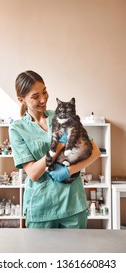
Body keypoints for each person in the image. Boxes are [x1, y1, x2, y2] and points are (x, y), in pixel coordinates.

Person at [9, 70, 101, 228]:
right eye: (35, 96)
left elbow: (95, 151)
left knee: (75, 253)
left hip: (73, 203)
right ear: (21, 99)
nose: (43, 99)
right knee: (42, 253)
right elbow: (33, 172)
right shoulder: (17, 128)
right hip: (41, 208)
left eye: (44, 91)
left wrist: (68, 171)